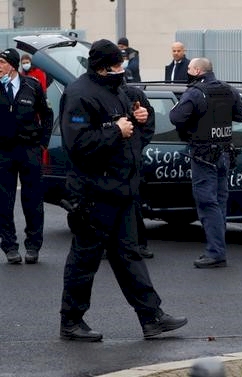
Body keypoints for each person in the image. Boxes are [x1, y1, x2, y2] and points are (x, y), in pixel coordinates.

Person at [59, 39, 186, 341]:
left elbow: (136, 126)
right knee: (85, 258)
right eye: (117, 66)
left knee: (129, 255)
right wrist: (115, 131)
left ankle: (151, 317)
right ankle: (71, 321)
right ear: (102, 68)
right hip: (93, 194)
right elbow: (78, 145)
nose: (122, 70)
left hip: (122, 190)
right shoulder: (79, 95)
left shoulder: (118, 90)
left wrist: (141, 120)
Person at [169, 57, 242, 268]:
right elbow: (240, 116)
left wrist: (194, 122)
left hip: (203, 155)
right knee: (219, 202)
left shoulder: (195, 92)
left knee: (206, 202)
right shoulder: (229, 90)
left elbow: (175, 117)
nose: (188, 72)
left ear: (196, 71)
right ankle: (218, 250)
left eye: (190, 69)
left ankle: (215, 253)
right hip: (224, 154)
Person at [0, 48, 53, 265]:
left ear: (12, 65)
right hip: (3, 152)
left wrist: (43, 143)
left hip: (29, 149)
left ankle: (33, 246)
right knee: (4, 201)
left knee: (32, 200)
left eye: (2, 62)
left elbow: (47, 115)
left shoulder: (32, 85)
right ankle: (10, 247)